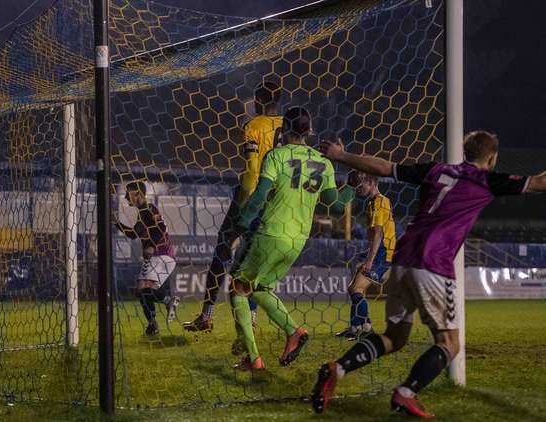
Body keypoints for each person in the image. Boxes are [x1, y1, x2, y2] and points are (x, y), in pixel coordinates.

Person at [312, 131, 546, 418]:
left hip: (402, 260)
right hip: (434, 264)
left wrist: (340, 156)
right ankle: (406, 393)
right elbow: (540, 182)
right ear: (493, 157)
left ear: (464, 151)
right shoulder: (486, 179)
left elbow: (385, 167)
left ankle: (339, 368)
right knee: (449, 344)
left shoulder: (435, 169)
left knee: (395, 338)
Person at [228, 106, 350, 370]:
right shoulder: (324, 162)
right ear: (310, 131)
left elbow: (260, 194)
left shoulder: (277, 155)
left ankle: (254, 358)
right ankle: (293, 334)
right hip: (298, 240)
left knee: (238, 289)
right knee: (260, 288)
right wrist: (351, 187)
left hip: (271, 232)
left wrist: (242, 222)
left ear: (283, 129)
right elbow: (336, 207)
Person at [183, 81, 284, 334]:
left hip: (252, 197)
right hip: (276, 201)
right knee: (252, 263)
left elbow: (251, 170)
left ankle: (206, 316)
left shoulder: (253, 126)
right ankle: (250, 320)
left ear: (259, 99)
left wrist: (242, 203)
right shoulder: (288, 126)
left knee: (222, 252)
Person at [114, 181, 180, 337]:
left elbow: (161, 228)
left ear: (138, 194)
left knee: (143, 289)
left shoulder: (149, 209)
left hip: (162, 254)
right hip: (156, 256)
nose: (124, 196)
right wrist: (116, 223)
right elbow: (132, 234)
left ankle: (168, 301)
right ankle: (152, 325)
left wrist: (151, 245)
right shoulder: (141, 214)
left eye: (128, 193)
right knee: (141, 291)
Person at [335, 171, 396, 340]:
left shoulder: (379, 202)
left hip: (382, 253)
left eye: (361, 184)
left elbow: (378, 233)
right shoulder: (372, 202)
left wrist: (369, 260)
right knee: (353, 288)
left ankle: (366, 328)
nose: (358, 188)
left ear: (372, 182)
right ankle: (355, 327)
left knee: (356, 288)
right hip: (379, 251)